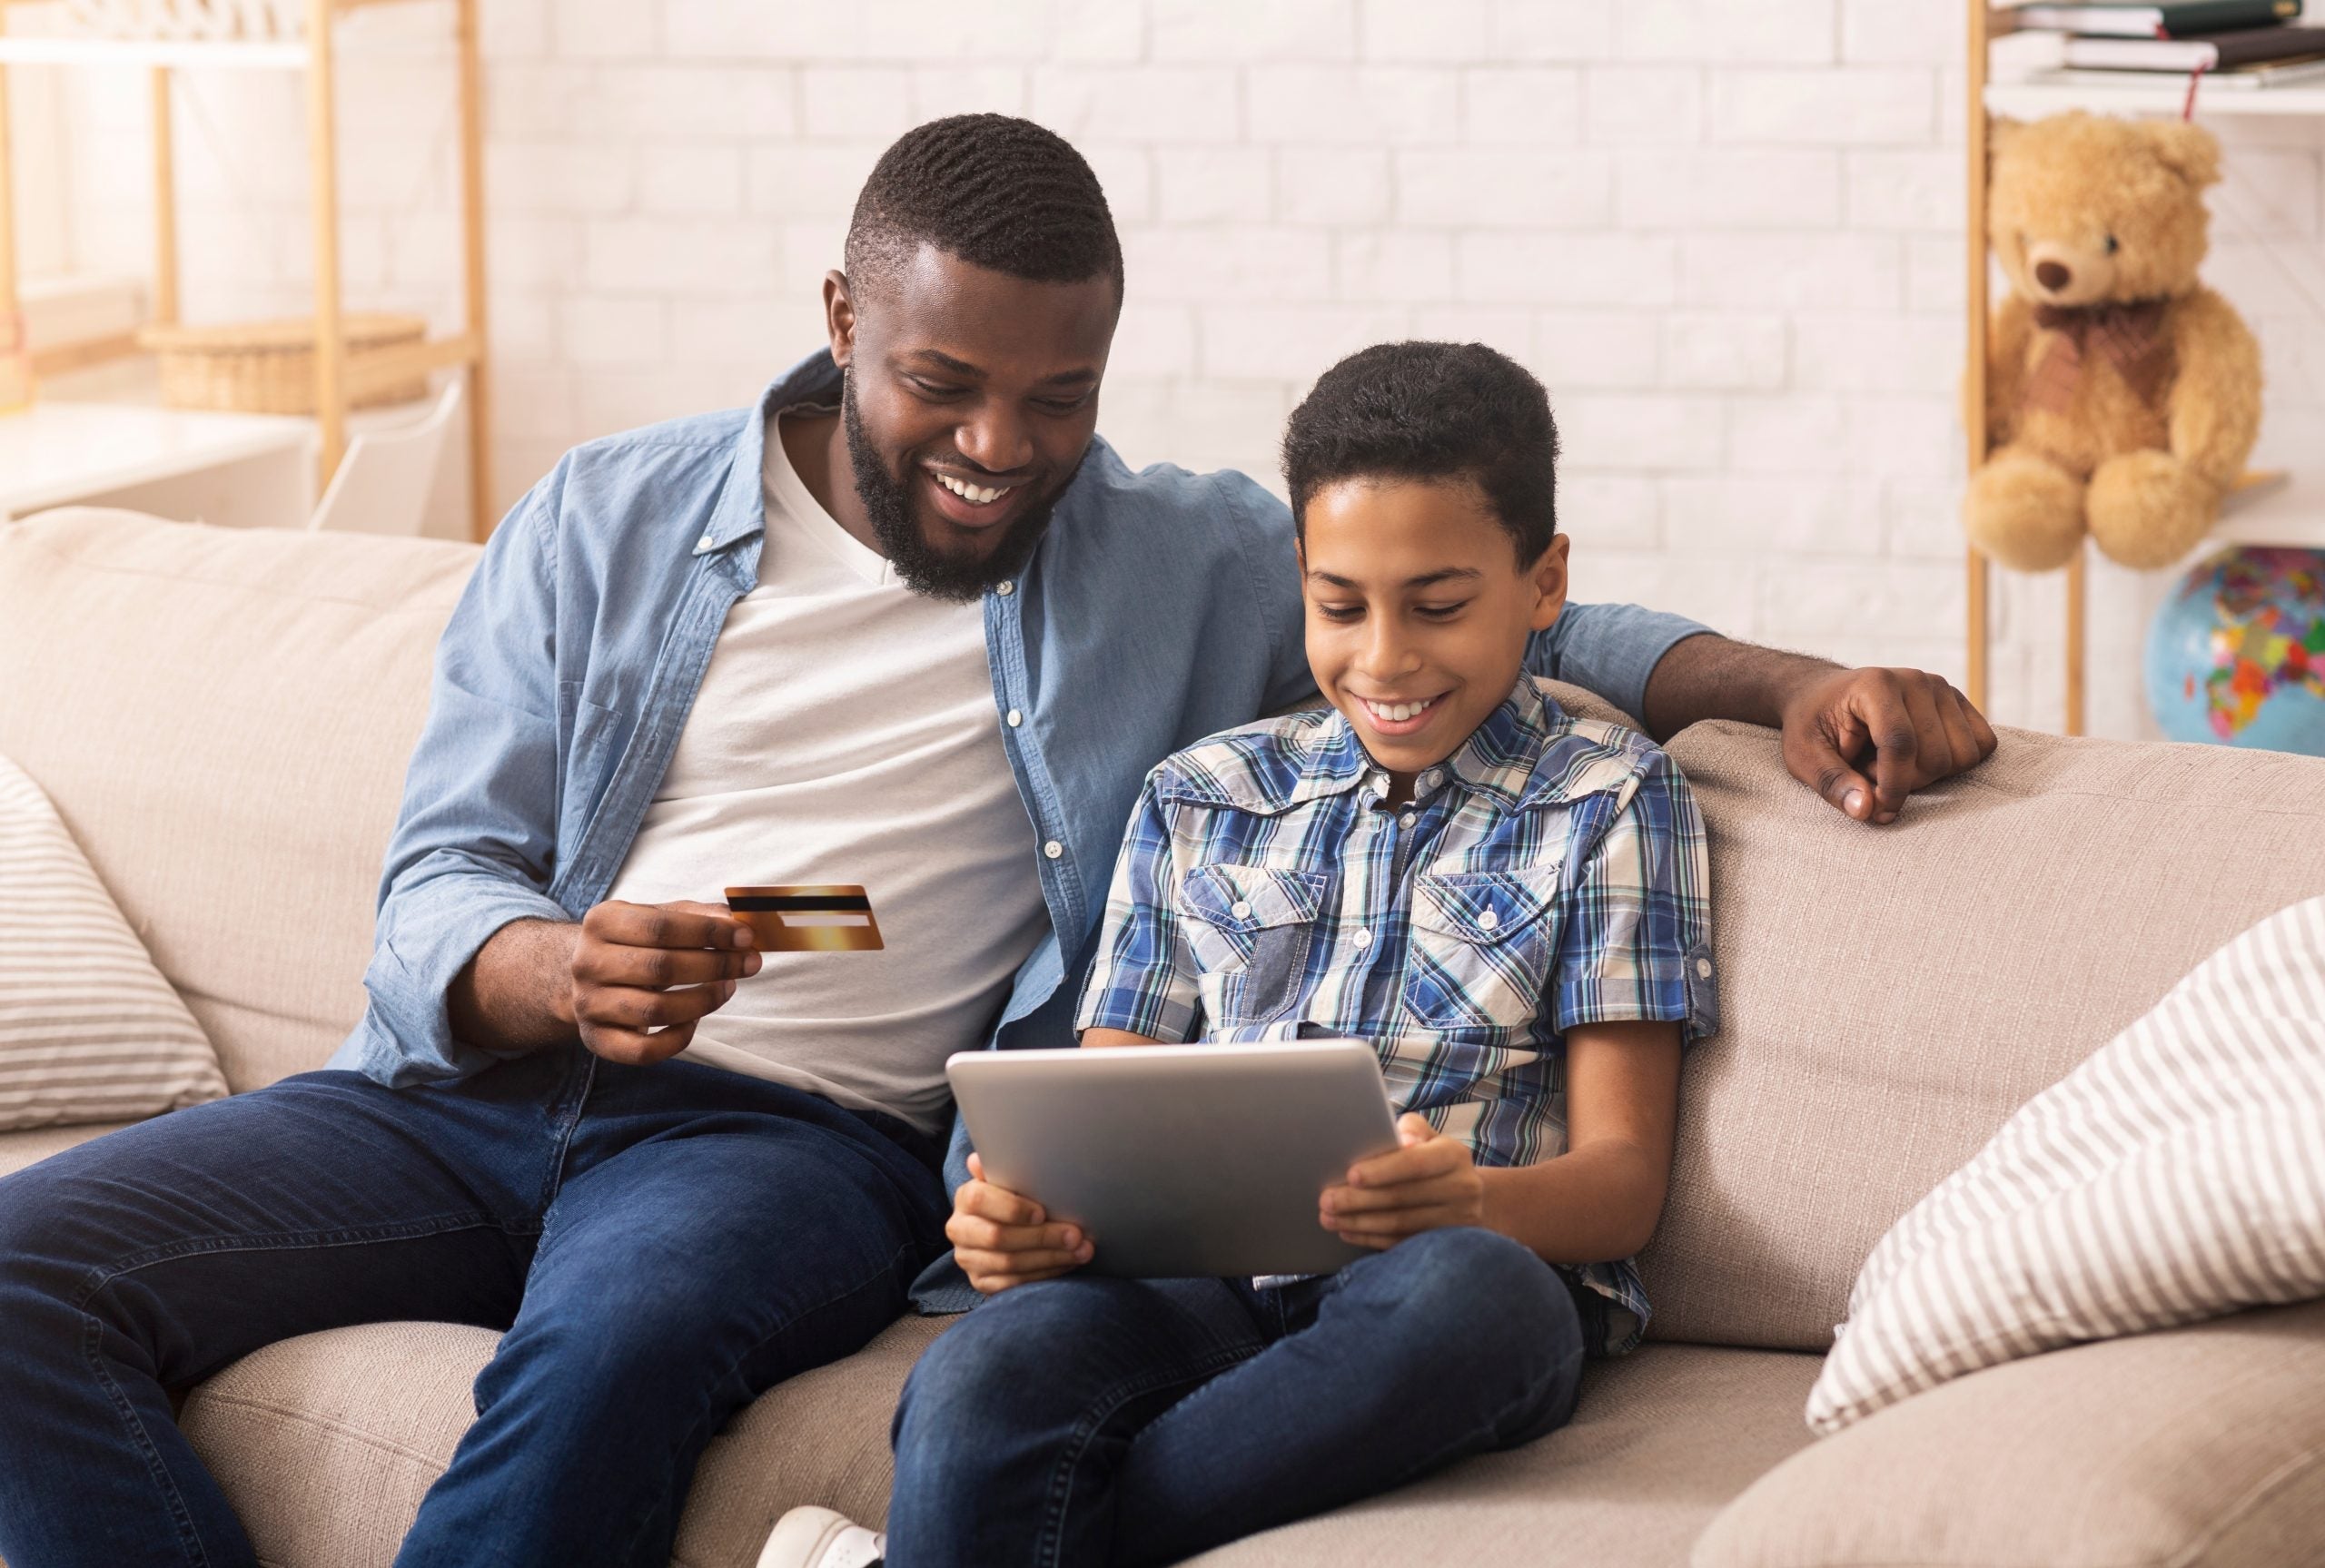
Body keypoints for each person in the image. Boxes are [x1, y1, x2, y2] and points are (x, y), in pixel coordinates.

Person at [0, 116, 1991, 1568]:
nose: (996, 447)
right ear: (840, 321)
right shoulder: (606, 517)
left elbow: (1503, 618)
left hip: (780, 1141)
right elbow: (442, 873)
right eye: (943, 385)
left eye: (1056, 400)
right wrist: (551, 963)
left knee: (612, 1355)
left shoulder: (1169, 549)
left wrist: (1787, 675)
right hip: (467, 1085)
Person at [762, 340, 1714, 1568]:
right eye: (1339, 605)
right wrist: (1021, 1219)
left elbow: (1625, 1180)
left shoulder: (1613, 797)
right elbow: (1095, 1121)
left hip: (1443, 1282)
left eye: (1438, 604)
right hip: (1194, 1286)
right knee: (986, 1374)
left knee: (1472, 1304)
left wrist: (1468, 1200)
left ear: (1542, 585)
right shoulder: (1202, 797)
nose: (1385, 658)